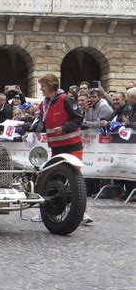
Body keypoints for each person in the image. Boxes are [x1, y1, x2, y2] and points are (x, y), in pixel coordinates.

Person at [35, 73, 93, 224]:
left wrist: (65, 128)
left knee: (74, 180)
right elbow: (42, 122)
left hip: (72, 145)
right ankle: (46, 210)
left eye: (43, 86)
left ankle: (82, 212)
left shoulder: (66, 99)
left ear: (50, 85)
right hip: (56, 147)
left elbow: (78, 118)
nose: (41, 89)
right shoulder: (44, 104)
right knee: (54, 179)